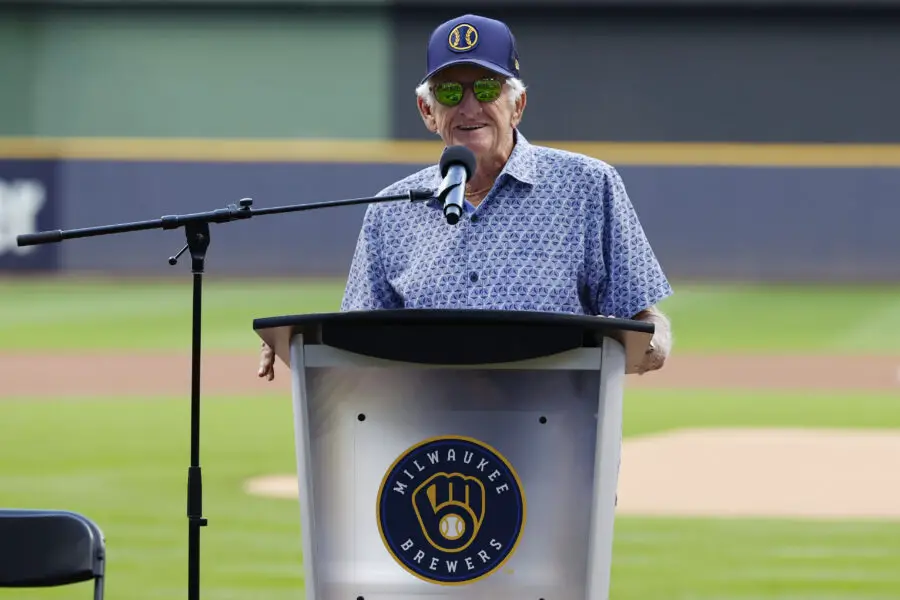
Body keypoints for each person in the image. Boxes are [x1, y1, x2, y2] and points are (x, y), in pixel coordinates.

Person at [259, 13, 673, 381]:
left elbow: (644, 320)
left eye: (488, 89)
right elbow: (359, 341)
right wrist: (303, 345)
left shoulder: (588, 185)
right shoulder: (391, 209)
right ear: (427, 111)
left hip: (559, 438)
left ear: (518, 106)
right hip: (427, 445)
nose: (469, 106)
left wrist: (644, 346)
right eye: (450, 93)